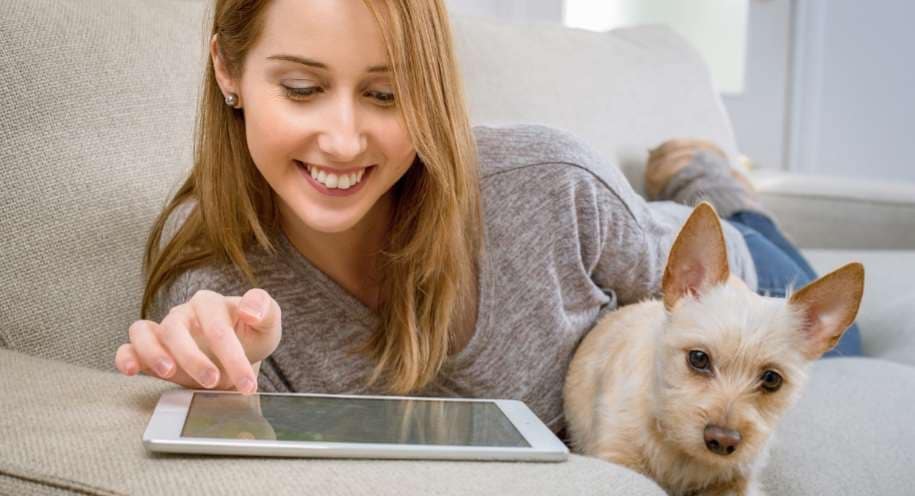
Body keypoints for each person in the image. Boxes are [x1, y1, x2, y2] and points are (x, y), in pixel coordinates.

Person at [113, 0, 861, 440]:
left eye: (385, 96)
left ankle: (717, 183)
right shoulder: (209, 302)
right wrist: (226, 404)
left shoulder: (548, 183)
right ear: (228, 71)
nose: (342, 140)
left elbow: (695, 297)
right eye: (303, 88)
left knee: (820, 312)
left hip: (730, 277)